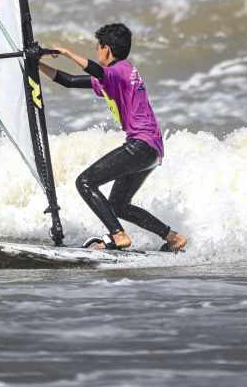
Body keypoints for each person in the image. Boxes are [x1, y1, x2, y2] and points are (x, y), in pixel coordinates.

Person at [41, 23, 188, 252]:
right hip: (151, 149)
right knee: (118, 205)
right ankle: (173, 237)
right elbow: (68, 81)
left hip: (140, 145)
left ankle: (118, 236)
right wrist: (36, 64)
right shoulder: (117, 77)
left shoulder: (121, 69)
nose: (97, 52)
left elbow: (97, 71)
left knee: (85, 182)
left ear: (106, 49)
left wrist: (67, 52)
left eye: (98, 47)